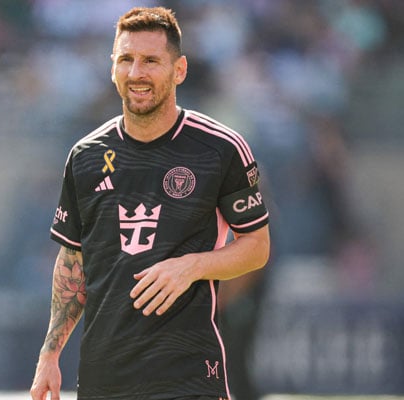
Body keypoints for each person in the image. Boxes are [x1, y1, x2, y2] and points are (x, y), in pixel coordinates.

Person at [30, 6, 271, 400]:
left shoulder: (220, 148)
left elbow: (257, 248)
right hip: (103, 376)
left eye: (150, 61)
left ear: (179, 70)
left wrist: (191, 267)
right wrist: (50, 353)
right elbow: (73, 261)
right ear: (112, 68)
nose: (136, 72)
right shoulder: (85, 156)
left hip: (189, 374)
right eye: (126, 59)